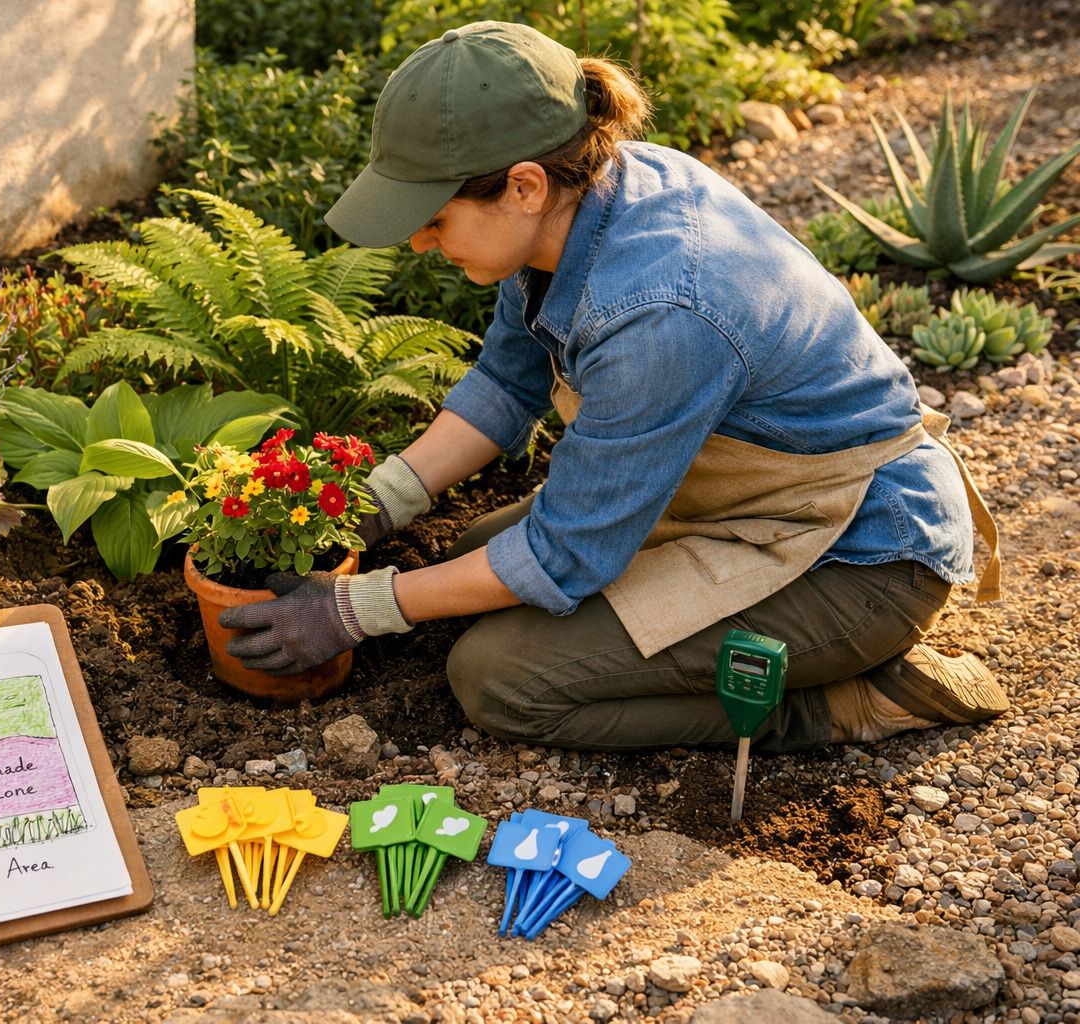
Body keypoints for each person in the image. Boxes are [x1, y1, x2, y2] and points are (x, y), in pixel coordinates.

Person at [219, 20, 1009, 752]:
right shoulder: (584, 202)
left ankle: (846, 702)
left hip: (855, 554)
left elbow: (564, 556)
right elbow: (505, 381)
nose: (422, 243)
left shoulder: (661, 310)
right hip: (726, 498)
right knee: (466, 560)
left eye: (434, 216)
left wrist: (351, 610)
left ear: (523, 186)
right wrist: (372, 506)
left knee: (499, 677)